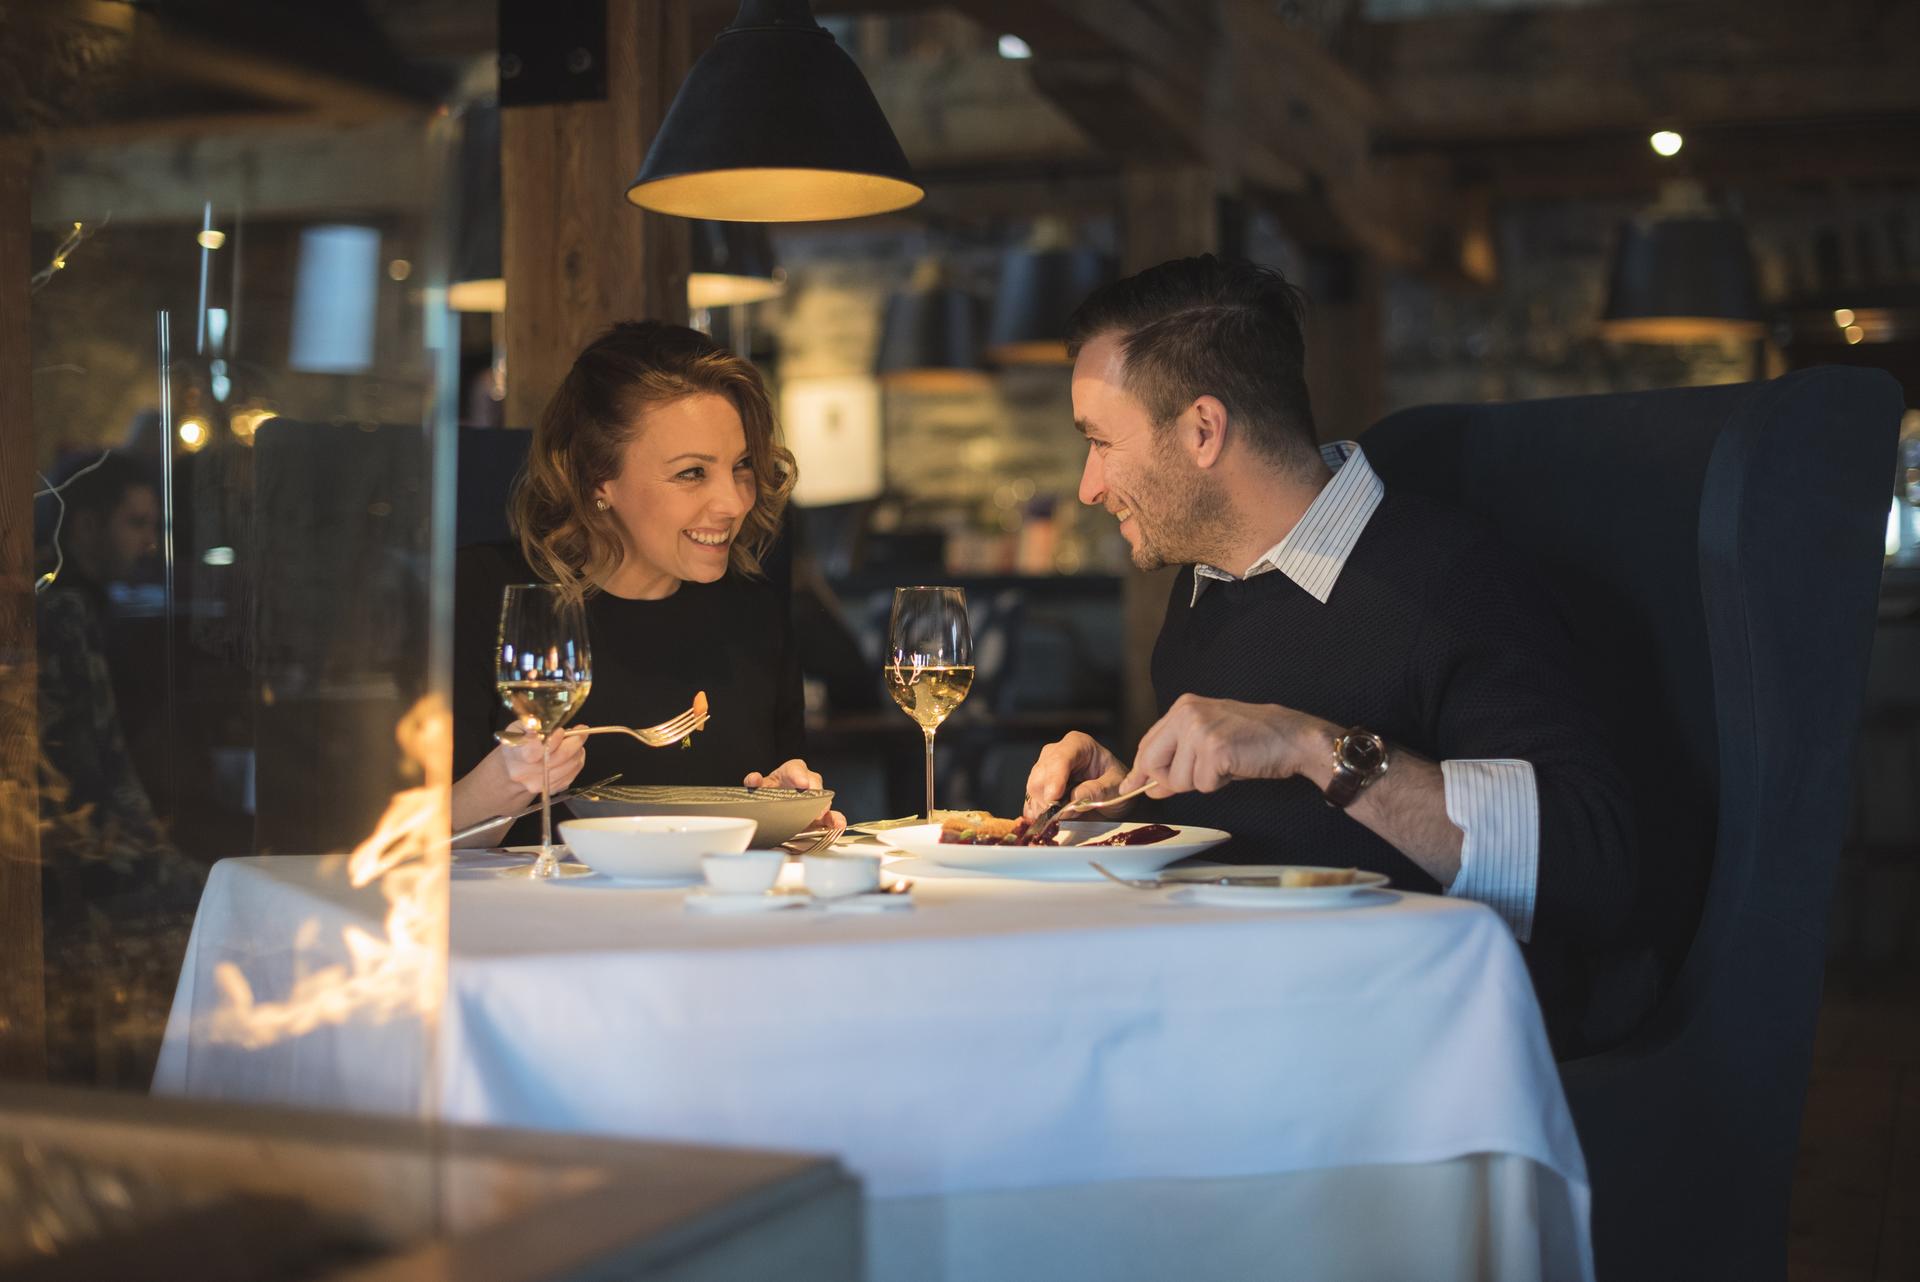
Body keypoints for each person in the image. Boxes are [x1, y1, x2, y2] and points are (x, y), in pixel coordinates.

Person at [1022, 256, 1637, 1050]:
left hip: (1404, 1048)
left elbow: (1595, 864)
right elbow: (1267, 838)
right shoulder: (1204, 592)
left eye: (1101, 444)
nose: (1088, 487)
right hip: (1226, 1017)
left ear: (1203, 431)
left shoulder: (1453, 582)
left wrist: (1310, 745)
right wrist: (1131, 800)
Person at [452, 322, 837, 843]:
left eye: (742, 466)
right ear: (596, 480)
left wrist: (786, 814)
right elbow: (404, 853)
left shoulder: (752, 614)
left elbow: (771, 836)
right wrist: (506, 780)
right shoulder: (483, 596)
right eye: (692, 473)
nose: (734, 502)